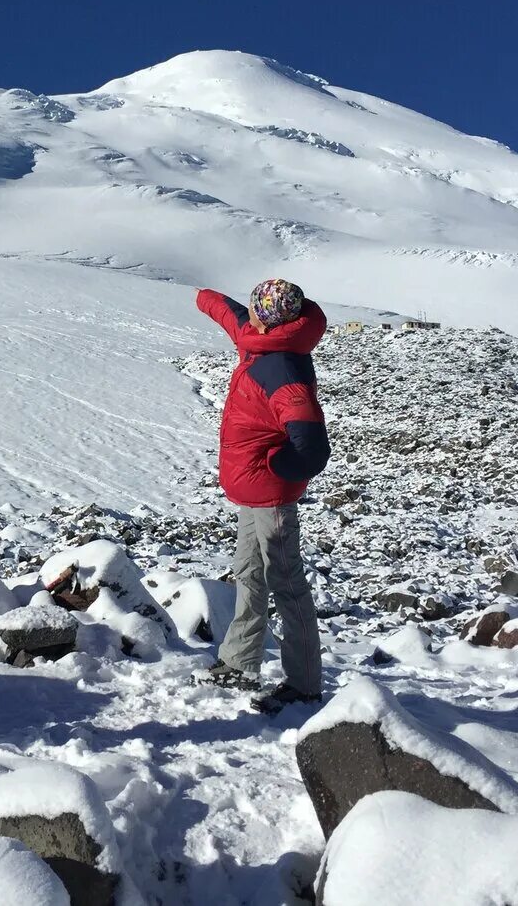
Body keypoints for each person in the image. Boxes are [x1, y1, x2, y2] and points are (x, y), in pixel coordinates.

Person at [195, 279, 331, 716]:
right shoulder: (260, 339)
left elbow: (312, 448)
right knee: (250, 573)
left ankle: (304, 684)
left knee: (287, 584)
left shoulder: (282, 371)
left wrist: (277, 467)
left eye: (254, 308)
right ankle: (239, 661)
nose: (247, 313)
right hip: (253, 493)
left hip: (271, 497)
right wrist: (201, 296)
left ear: (267, 319)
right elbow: (231, 315)